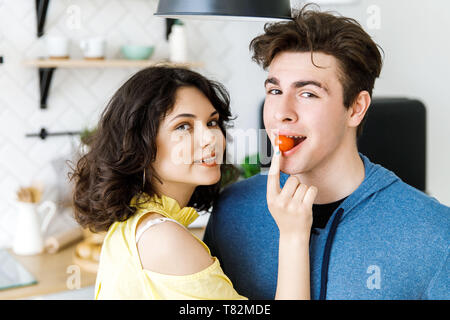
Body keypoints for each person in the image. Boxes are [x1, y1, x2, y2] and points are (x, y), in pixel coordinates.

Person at [203, 5, 450, 300]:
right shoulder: (231, 211)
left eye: (308, 94)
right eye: (275, 91)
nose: (282, 113)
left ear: (356, 108)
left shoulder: (434, 233)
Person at [70, 66, 317, 299]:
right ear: (139, 145)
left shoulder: (135, 226)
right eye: (183, 126)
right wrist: (293, 236)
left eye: (211, 122)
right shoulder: (164, 239)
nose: (210, 138)